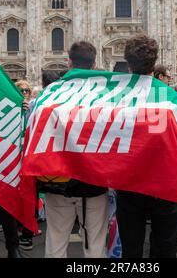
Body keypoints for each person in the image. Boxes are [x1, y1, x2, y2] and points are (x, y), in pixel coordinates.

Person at [115, 34, 177, 258]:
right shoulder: (172, 97)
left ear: (127, 62)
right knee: (165, 243)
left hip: (129, 180)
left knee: (131, 244)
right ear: (155, 62)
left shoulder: (115, 97)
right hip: (165, 180)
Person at [40, 41, 109, 258]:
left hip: (56, 179)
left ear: (69, 62)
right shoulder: (105, 95)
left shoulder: (50, 92)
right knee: (95, 243)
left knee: (56, 241)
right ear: (94, 63)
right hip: (93, 182)